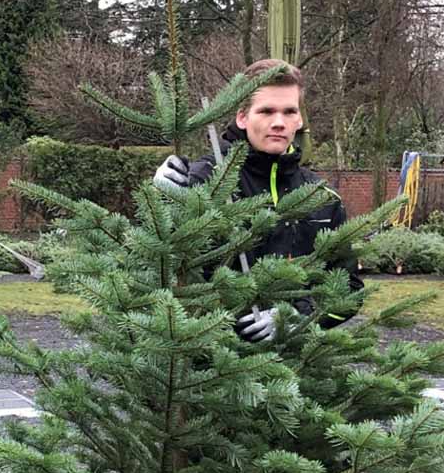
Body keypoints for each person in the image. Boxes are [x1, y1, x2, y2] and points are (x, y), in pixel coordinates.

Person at [153, 59, 362, 341]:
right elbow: (158, 270)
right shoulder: (201, 181)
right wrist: (161, 199)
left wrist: (297, 319)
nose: (279, 123)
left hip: (296, 372)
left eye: (289, 112)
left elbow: (349, 288)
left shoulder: (321, 198)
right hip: (212, 369)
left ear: (299, 119)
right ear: (242, 116)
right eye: (266, 111)